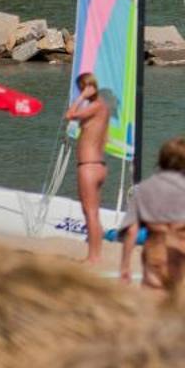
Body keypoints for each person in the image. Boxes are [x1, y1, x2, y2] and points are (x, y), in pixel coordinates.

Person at [117, 136, 185, 291]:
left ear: (161, 160)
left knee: (154, 300)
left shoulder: (144, 190)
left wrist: (125, 266)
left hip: (156, 255)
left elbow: (131, 232)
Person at [65, 72, 111, 265]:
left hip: (89, 166)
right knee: (92, 212)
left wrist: (82, 97)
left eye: (81, 88)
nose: (80, 92)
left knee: (90, 212)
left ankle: (94, 257)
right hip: (97, 165)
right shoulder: (102, 108)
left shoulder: (96, 106)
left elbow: (70, 115)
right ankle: (95, 254)